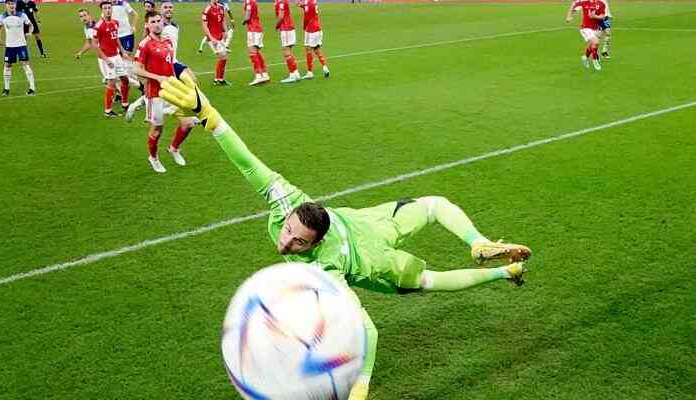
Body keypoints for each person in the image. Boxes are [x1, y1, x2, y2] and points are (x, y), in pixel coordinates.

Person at [159, 75, 532, 400]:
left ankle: (500, 270)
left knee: (429, 281)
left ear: (316, 244)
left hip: (370, 259)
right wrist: (208, 113)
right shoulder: (284, 199)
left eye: (298, 243)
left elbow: (366, 327)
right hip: (368, 221)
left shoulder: (328, 268)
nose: (285, 243)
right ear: (290, 214)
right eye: (288, 231)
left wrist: (360, 387)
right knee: (434, 204)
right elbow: (245, 159)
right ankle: (480, 244)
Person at [133, 11, 198, 173]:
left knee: (188, 123)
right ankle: (153, 158)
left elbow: (171, 65)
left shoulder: (168, 41)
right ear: (147, 25)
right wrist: (157, 77)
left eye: (158, 21)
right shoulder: (145, 44)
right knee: (157, 130)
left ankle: (174, 148)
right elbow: (136, 69)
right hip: (155, 95)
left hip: (171, 91)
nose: (157, 24)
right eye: (153, 22)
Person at [125, 0, 195, 121]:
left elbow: (172, 46)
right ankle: (169, 110)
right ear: (160, 10)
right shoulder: (157, 27)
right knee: (189, 82)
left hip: (172, 61)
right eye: (165, 7)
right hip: (161, 61)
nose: (168, 9)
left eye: (170, 7)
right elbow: (146, 41)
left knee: (187, 83)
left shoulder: (175, 25)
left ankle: (143, 105)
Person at [93, 0, 133, 117]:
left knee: (125, 79)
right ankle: (108, 110)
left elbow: (116, 38)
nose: (107, 10)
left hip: (116, 56)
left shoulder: (115, 22)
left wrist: (123, 51)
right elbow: (95, 45)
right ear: (102, 10)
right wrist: (106, 59)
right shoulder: (99, 26)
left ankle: (125, 104)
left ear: (112, 9)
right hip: (107, 59)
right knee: (112, 82)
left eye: (109, 8)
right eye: (105, 8)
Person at [0, 0, 37, 96]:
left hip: (21, 45)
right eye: (9, 3)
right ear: (6, 5)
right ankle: (6, 89)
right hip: (9, 46)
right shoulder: (2, 16)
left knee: (26, 65)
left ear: (15, 4)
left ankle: (32, 88)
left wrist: (30, 32)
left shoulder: (22, 15)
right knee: (7, 66)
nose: (11, 5)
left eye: (13, 3)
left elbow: (31, 25)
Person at [566, 0, 606, 71]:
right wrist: (569, 17)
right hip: (585, 28)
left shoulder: (601, 3)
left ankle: (585, 58)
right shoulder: (584, 3)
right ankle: (595, 61)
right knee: (596, 42)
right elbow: (573, 7)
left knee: (594, 45)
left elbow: (602, 16)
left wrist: (594, 16)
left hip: (596, 28)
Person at [298, 0, 329, 79]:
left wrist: (304, 27)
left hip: (311, 30)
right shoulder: (313, 1)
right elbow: (304, 6)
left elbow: (306, 17)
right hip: (318, 28)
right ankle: (325, 67)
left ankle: (309, 72)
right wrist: (301, 5)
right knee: (317, 49)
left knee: (308, 49)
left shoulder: (308, 3)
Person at [202, 0, 230, 85]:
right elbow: (204, 25)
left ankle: (219, 79)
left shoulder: (221, 7)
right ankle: (218, 79)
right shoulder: (207, 9)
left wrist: (225, 31)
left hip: (220, 36)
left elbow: (223, 20)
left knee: (223, 57)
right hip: (212, 37)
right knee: (223, 56)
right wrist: (211, 38)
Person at [243, 0, 270, 85]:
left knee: (252, 52)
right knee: (257, 52)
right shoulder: (253, 1)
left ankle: (259, 76)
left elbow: (247, 16)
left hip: (253, 29)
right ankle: (265, 74)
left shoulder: (249, 2)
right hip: (258, 29)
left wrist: (243, 21)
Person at [275, 0, 300, 83]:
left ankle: (292, 75)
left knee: (286, 52)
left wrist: (277, 25)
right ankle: (296, 73)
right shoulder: (283, 1)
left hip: (286, 29)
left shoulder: (281, 2)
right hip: (290, 28)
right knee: (289, 51)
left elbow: (281, 16)